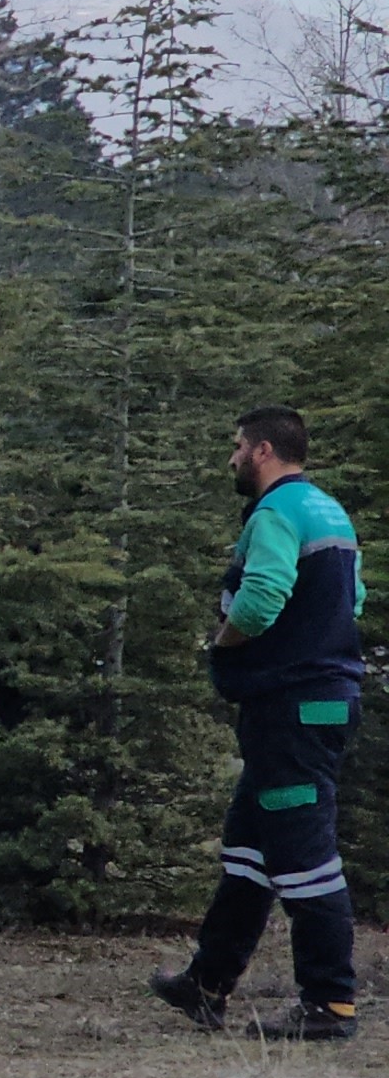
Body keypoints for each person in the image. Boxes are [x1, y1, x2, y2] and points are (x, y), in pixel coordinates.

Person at [155, 406, 364, 1042]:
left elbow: (264, 594)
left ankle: (329, 1004)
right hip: (320, 703)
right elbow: (353, 600)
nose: (232, 458)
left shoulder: (276, 513)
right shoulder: (329, 510)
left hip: (291, 709)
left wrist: (225, 644)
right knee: (250, 847)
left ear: (264, 450)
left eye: (237, 446)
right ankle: (207, 983)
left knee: (304, 853)